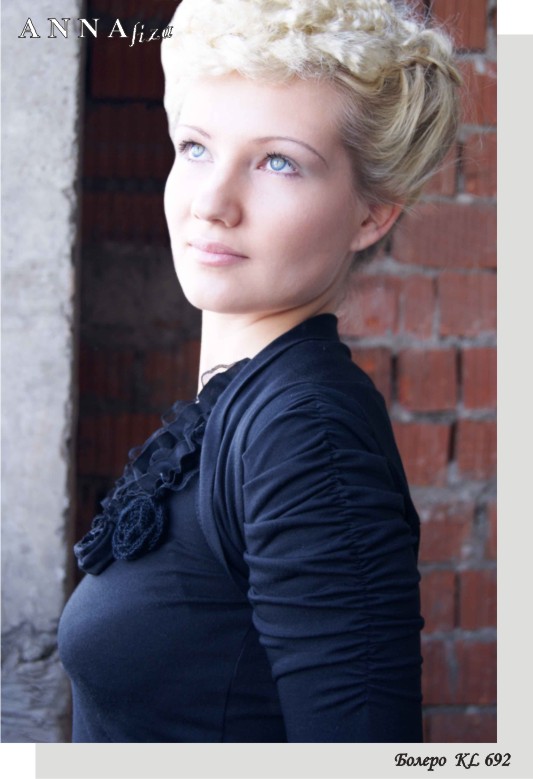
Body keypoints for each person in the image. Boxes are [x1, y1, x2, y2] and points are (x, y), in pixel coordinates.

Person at [58, 0, 461, 743]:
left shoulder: (303, 435)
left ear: (371, 214)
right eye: (195, 147)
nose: (212, 203)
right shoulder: (243, 406)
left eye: (278, 161)